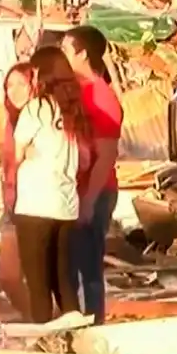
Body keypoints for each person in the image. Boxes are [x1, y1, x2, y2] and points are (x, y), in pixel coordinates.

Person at [11, 47, 92, 323]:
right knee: (64, 282)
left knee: (38, 286)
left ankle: (43, 344)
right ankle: (77, 335)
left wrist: (29, 154)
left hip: (35, 205)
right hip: (66, 207)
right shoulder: (74, 110)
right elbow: (84, 159)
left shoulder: (36, 108)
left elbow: (17, 153)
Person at [60, 25, 123, 325]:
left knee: (88, 267)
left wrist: (88, 199)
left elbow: (106, 155)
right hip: (74, 190)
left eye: (65, 50)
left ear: (82, 53)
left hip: (95, 191)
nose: (61, 56)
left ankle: (94, 325)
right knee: (69, 265)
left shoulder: (101, 96)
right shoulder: (74, 90)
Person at [0, 61, 34, 322]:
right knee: (8, 277)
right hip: (13, 208)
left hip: (38, 207)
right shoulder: (10, 121)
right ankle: (35, 320)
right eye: (10, 84)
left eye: (22, 83)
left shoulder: (42, 118)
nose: (14, 90)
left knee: (38, 277)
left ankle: (43, 325)